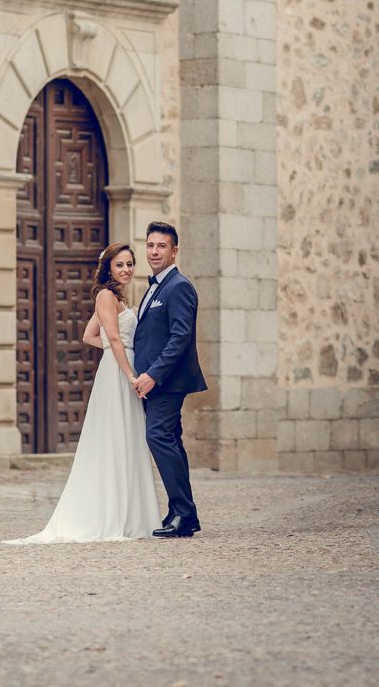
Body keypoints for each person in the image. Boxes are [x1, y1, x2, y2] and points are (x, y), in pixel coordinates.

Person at [4, 242, 161, 544]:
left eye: (130, 264)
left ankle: (130, 515)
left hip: (120, 364)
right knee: (116, 437)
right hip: (119, 373)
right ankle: (112, 515)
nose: (126, 269)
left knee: (126, 437)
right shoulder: (105, 296)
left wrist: (120, 351)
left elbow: (90, 335)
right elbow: (112, 338)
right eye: (120, 265)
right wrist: (128, 371)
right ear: (108, 268)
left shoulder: (117, 298)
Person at [131, 221, 207, 538]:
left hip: (167, 382)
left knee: (158, 437)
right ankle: (183, 514)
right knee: (170, 439)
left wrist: (153, 375)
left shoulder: (179, 287)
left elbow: (180, 337)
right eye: (150, 245)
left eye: (161, 246)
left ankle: (183, 512)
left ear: (174, 251)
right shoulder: (155, 287)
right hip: (154, 383)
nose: (154, 251)